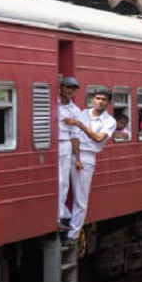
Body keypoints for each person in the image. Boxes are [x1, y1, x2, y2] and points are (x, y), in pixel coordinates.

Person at [63, 88, 117, 242]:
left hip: (87, 157)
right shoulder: (82, 113)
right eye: (98, 98)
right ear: (93, 99)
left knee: (80, 198)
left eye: (104, 99)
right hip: (72, 152)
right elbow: (72, 132)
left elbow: (98, 138)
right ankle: (65, 215)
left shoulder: (109, 121)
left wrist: (80, 125)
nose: (100, 101)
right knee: (60, 185)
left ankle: (73, 234)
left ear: (108, 103)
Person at [57, 77, 81, 231]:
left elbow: (75, 135)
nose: (70, 91)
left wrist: (77, 157)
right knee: (57, 181)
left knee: (63, 182)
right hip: (51, 144)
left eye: (73, 88)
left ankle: (59, 215)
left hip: (65, 144)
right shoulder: (53, 104)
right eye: (67, 87)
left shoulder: (75, 110)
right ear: (61, 87)